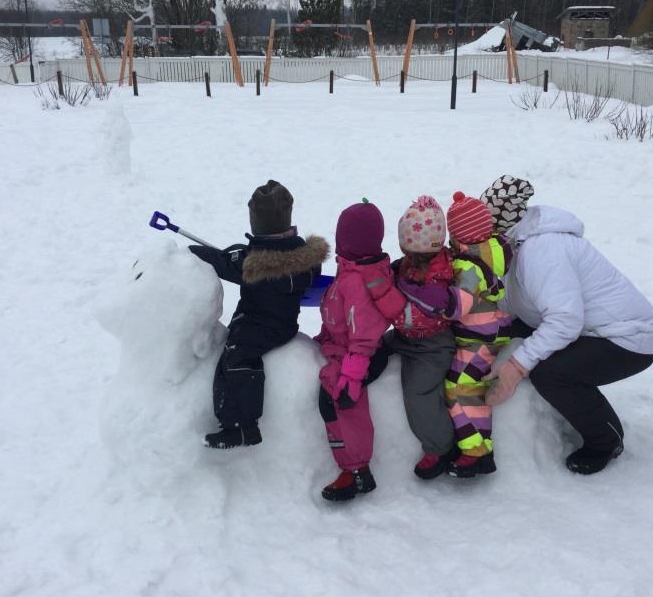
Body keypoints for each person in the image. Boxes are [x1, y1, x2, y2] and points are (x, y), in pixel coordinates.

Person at [481, 175, 653, 474]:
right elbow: (518, 299)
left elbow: (565, 319)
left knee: (552, 374)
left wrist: (516, 366)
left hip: (628, 338)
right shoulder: (514, 244)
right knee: (507, 332)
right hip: (585, 326)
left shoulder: (541, 251)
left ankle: (606, 441)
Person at [189, 180, 328, 449]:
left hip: (260, 326)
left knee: (239, 357)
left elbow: (223, 263)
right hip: (283, 323)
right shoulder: (302, 257)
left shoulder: (254, 264)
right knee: (236, 351)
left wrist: (195, 252)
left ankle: (242, 427)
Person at [316, 199, 404, 501]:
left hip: (362, 355)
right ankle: (350, 466)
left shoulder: (358, 280)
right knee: (330, 398)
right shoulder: (352, 269)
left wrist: (352, 377)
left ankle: (357, 471)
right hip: (348, 349)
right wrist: (323, 337)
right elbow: (337, 314)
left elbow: (364, 334)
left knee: (343, 401)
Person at [366, 196, 459, 479]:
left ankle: (441, 446)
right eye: (406, 253)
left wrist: (383, 294)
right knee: (373, 349)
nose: (410, 261)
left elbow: (411, 315)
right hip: (406, 338)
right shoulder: (409, 262)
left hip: (432, 346)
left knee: (419, 392)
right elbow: (395, 276)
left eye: (415, 256)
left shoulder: (439, 281)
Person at [440, 191, 515, 478]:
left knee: (460, 388)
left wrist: (437, 299)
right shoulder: (495, 249)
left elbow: (458, 306)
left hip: (479, 339)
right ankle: (476, 446)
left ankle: (476, 451)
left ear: (459, 238)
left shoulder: (468, 267)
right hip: (492, 330)